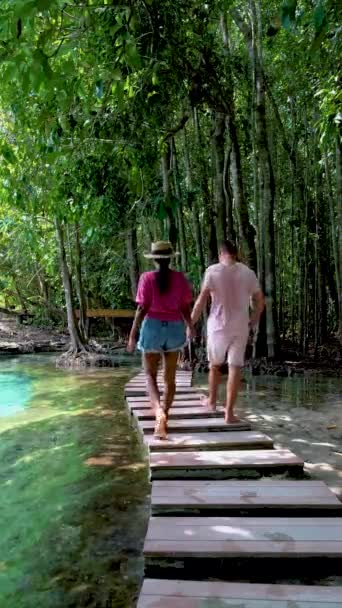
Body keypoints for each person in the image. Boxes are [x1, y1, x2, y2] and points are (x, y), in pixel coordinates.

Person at [191, 240, 264, 424]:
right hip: (240, 326)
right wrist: (254, 319)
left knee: (215, 366)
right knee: (235, 367)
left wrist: (190, 323)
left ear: (220, 253)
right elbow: (260, 301)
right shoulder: (248, 273)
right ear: (236, 253)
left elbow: (201, 301)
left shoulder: (212, 271)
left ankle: (212, 402)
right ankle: (229, 413)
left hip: (217, 326)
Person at [127, 241, 194, 439]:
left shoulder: (146, 278)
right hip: (174, 328)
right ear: (171, 258)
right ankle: (165, 412)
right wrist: (190, 326)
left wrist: (132, 335)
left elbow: (141, 309)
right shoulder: (180, 278)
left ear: (155, 259)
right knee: (170, 379)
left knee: (149, 375)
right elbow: (184, 308)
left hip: (152, 327)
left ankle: (159, 415)